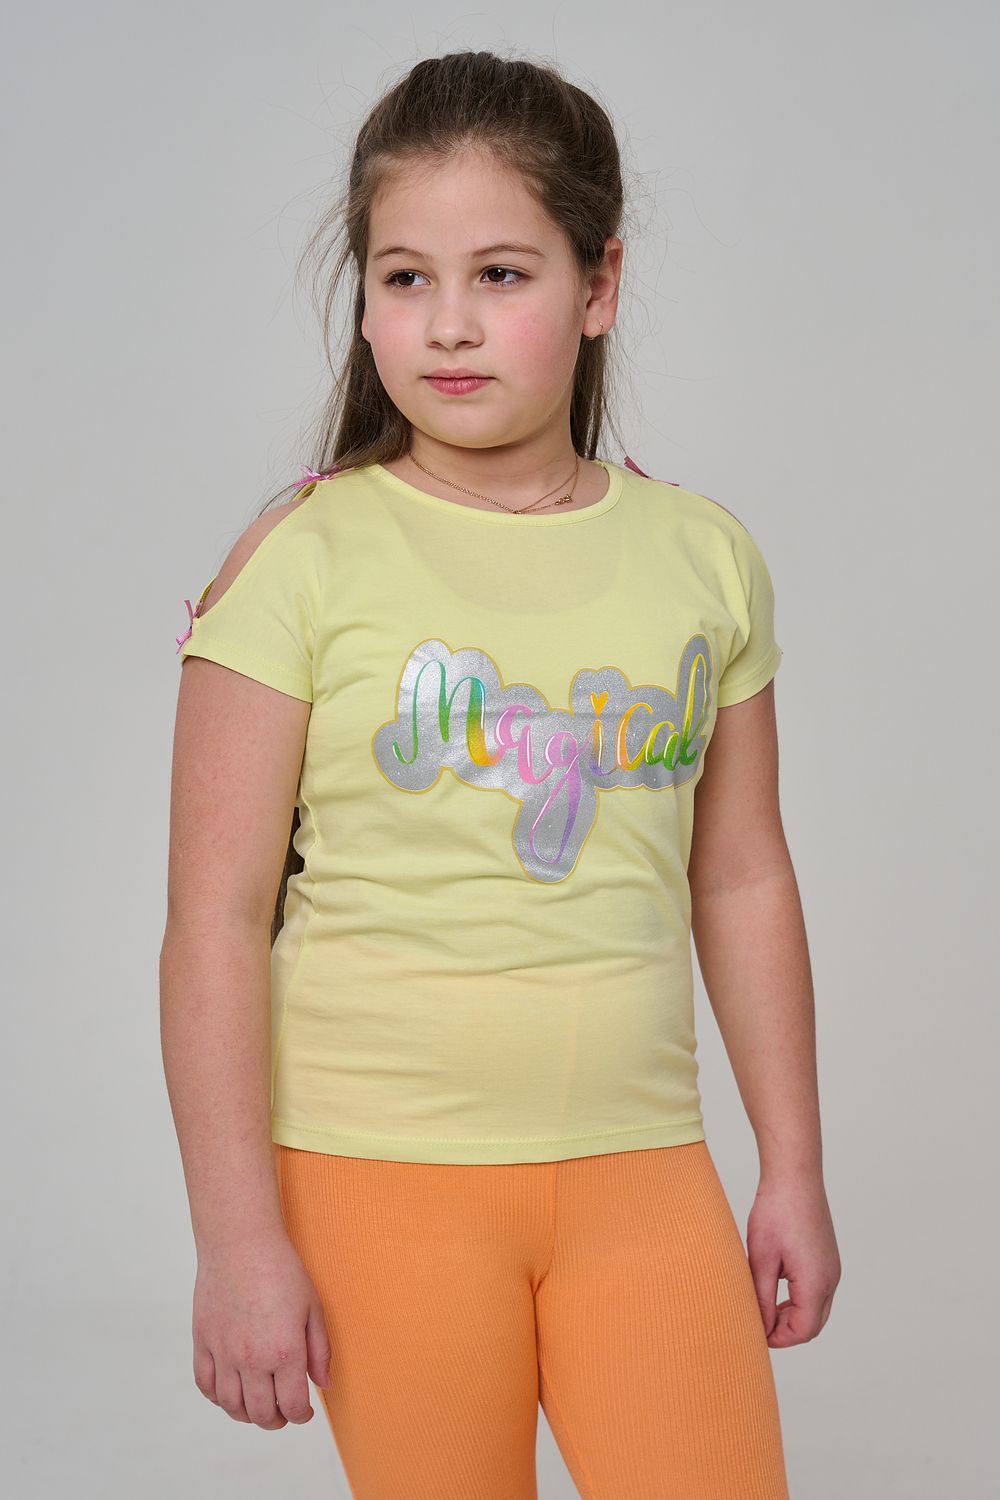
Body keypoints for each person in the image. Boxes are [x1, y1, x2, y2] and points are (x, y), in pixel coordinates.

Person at [161, 47, 841, 1500]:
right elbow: (214, 917)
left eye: (503, 275)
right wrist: (234, 1240)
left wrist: (792, 1165)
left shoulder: (703, 555)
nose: (450, 324)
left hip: (641, 1165)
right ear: (363, 299)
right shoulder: (300, 560)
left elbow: (741, 875)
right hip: (377, 1174)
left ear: (600, 286)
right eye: (405, 278)